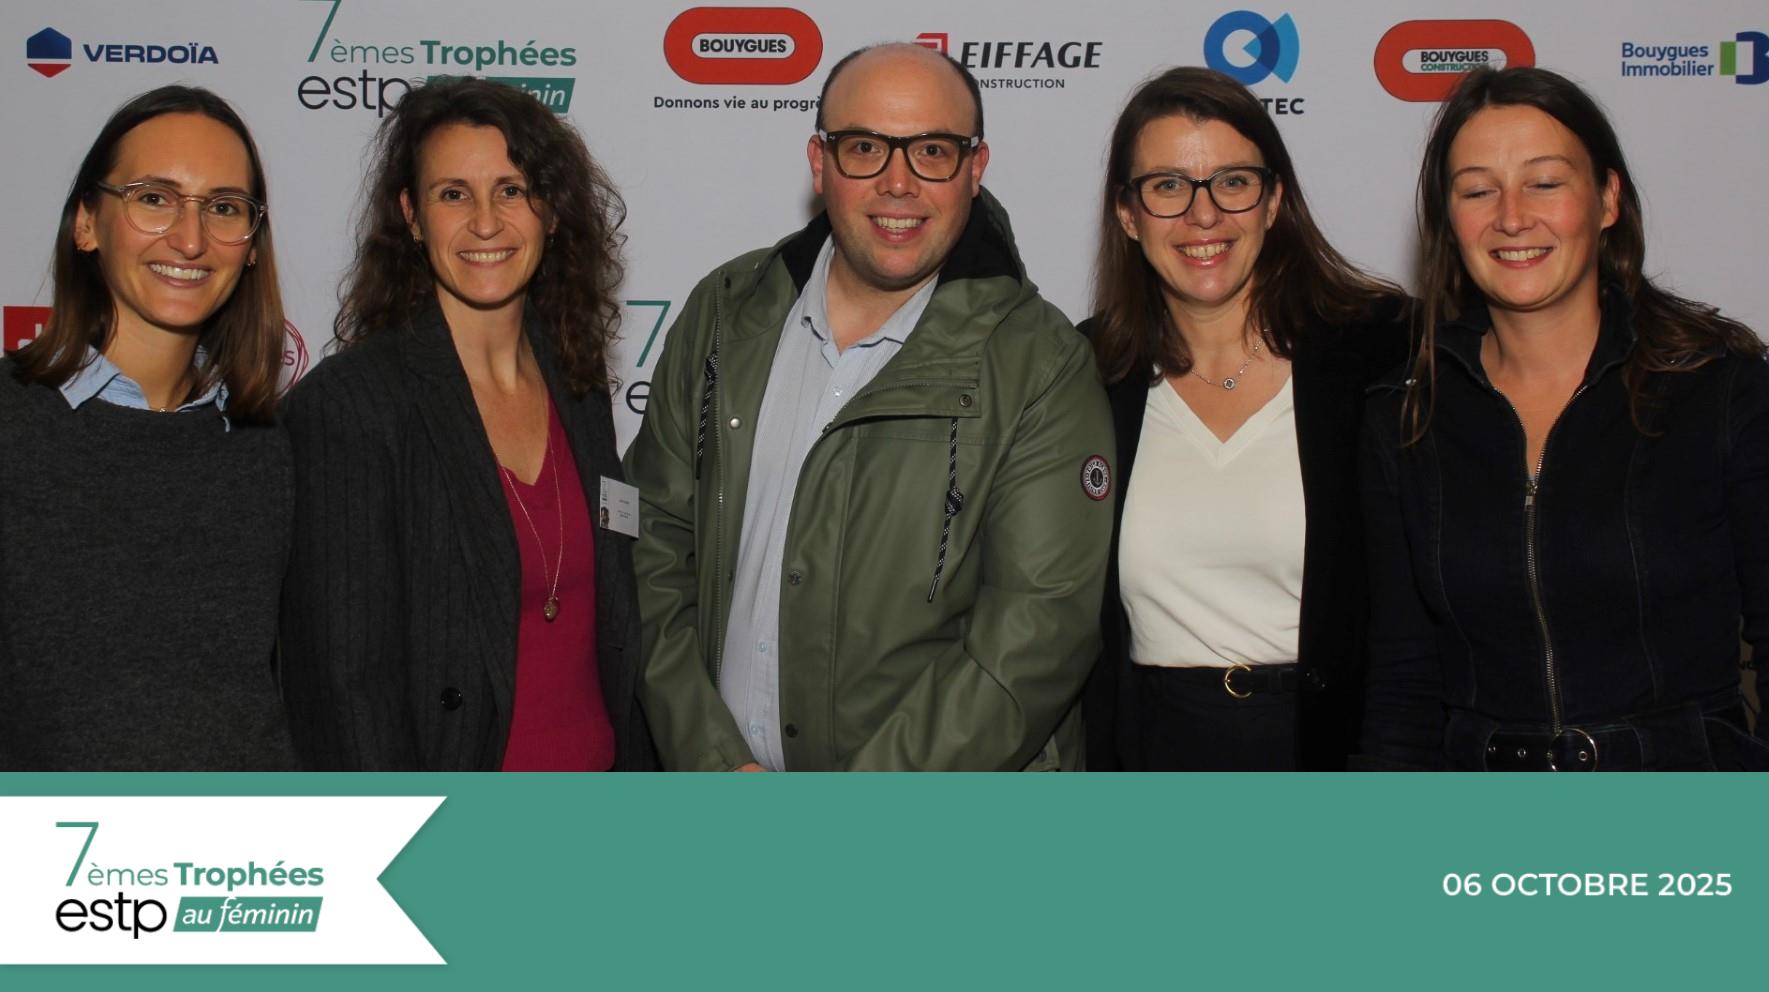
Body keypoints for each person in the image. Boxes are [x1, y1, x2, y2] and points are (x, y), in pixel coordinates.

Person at [627, 42, 1112, 771]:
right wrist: (712, 760)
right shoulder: (724, 312)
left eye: (933, 151)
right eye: (864, 148)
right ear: (818, 163)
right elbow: (653, 545)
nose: (898, 182)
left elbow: (1036, 633)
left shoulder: (1041, 363)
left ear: (975, 168)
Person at [1360, 65, 1769, 771]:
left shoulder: (1718, 387)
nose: (1511, 217)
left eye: (1544, 182)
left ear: (1607, 199)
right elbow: (1402, 679)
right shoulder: (1406, 414)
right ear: (1448, 219)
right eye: (1477, 190)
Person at [281, 77, 651, 771]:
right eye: (453, 194)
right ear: (412, 216)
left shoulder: (576, 381)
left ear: (551, 211)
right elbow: (344, 692)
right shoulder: (351, 407)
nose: (486, 222)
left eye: (512, 190)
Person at [1081, 68, 1411, 770]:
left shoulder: (1382, 354)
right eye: (1167, 186)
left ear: (1274, 201)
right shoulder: (1087, 376)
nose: (1203, 215)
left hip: (1335, 753)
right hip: (1152, 757)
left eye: (1232, 182)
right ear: (1128, 214)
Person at [0, 85, 293, 770]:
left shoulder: (274, 449)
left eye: (224, 207)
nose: (190, 239)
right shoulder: (10, 424)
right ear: (87, 224)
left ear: (251, 246)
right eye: (154, 198)